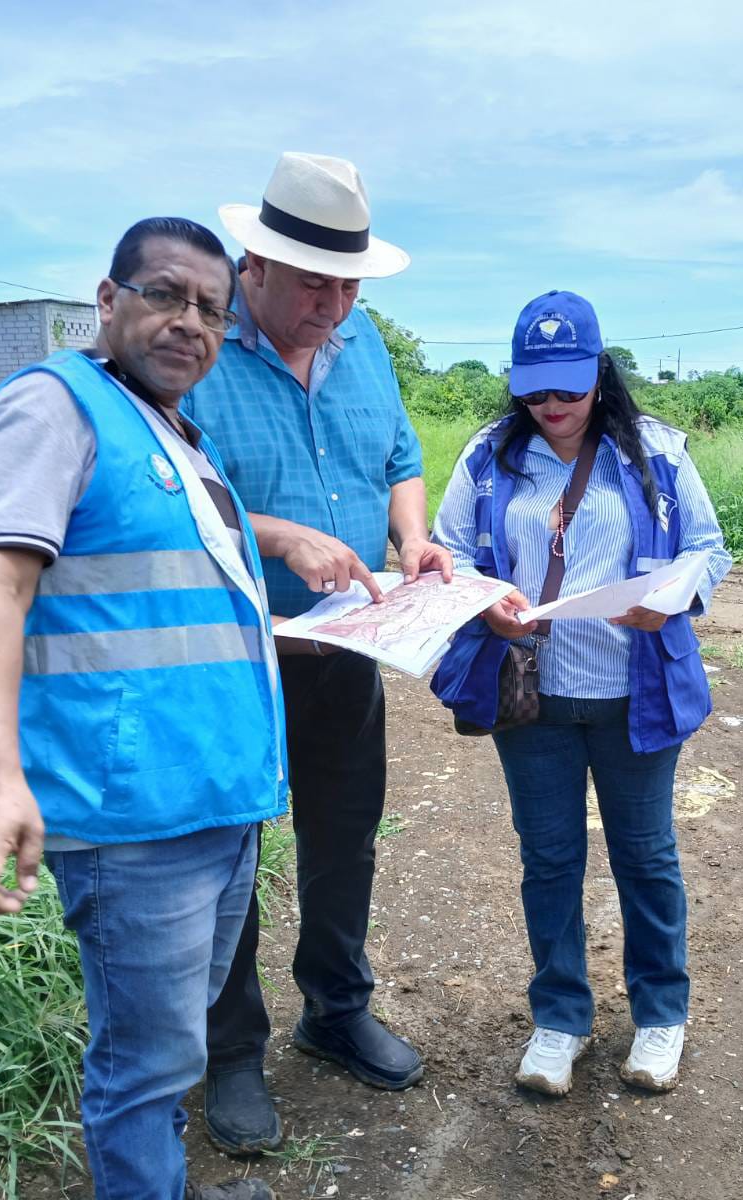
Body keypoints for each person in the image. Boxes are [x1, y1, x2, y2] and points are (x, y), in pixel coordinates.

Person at [0, 218, 279, 1200]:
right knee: (142, 1068)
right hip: (131, 816)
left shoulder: (167, 428)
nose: (189, 323)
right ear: (107, 299)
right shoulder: (52, 408)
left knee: (169, 1052)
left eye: (211, 309)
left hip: (211, 802)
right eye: (165, 294)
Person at [182, 152, 451, 1154]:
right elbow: (166, 491)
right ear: (252, 263)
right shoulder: (198, 346)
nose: (332, 308)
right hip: (230, 651)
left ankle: (335, 1010)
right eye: (311, 285)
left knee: (344, 836)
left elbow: (400, 454)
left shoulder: (359, 339)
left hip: (345, 645)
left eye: (349, 287)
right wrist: (278, 536)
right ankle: (231, 1053)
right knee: (230, 854)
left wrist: (412, 537)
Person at [431, 290, 732, 1097]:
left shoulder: (656, 453)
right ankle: (560, 1017)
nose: (553, 405)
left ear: (601, 373)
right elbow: (452, 553)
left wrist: (671, 597)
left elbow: (709, 549)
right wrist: (483, 603)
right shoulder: (488, 457)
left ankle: (661, 1013)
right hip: (532, 699)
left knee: (646, 855)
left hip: (636, 692)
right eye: (535, 390)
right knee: (550, 857)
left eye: (569, 387)